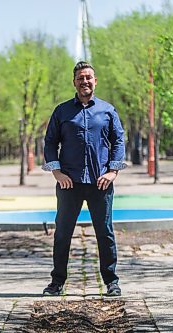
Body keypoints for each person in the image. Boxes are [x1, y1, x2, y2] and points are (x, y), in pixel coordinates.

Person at [41, 61, 126, 297]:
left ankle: (111, 281)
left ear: (95, 81)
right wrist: (57, 173)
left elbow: (119, 141)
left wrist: (112, 172)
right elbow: (50, 142)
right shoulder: (62, 111)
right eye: (80, 78)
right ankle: (57, 282)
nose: (85, 81)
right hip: (70, 183)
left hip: (101, 182)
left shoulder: (108, 111)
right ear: (74, 82)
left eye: (88, 77)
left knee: (105, 232)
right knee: (62, 233)